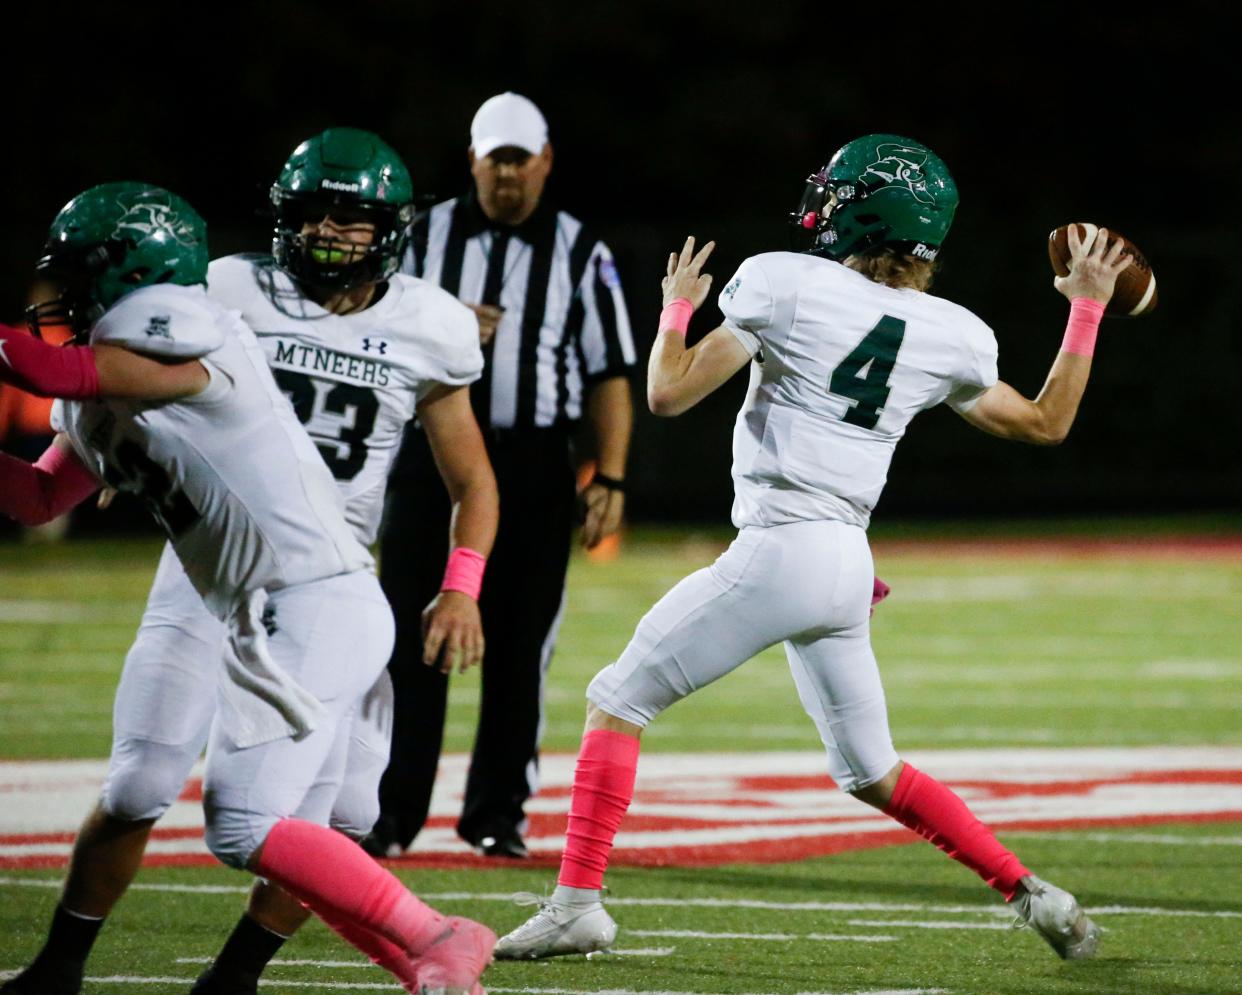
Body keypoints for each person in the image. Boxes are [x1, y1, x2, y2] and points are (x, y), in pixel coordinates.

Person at [493, 134, 1128, 964]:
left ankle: (579, 903)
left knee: (617, 698)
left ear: (859, 210)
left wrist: (677, 306)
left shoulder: (784, 284)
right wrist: (1085, 308)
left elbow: (666, 391)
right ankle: (1037, 895)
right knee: (872, 771)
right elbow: (1048, 421)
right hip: (846, 561)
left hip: (784, 546)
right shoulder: (951, 332)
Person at [0, 179, 496, 995]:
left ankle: (437, 934)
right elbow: (38, 496)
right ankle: (425, 954)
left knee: (258, 820)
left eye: (81, 271)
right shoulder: (99, 393)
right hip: (246, 607)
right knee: (217, 808)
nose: (61, 291)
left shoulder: (190, 330)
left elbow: (49, 366)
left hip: (316, 594)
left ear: (132, 277)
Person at [369, 91, 636, 860]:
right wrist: (441, 321)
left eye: (522, 159)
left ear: (546, 160)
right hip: (431, 460)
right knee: (408, 637)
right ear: (474, 161)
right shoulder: (421, 237)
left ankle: (496, 812)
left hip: (532, 463)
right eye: (497, 160)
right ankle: (390, 811)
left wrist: (609, 475)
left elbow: (609, 372)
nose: (509, 175)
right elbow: (372, 324)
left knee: (522, 647)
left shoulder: (582, 252)